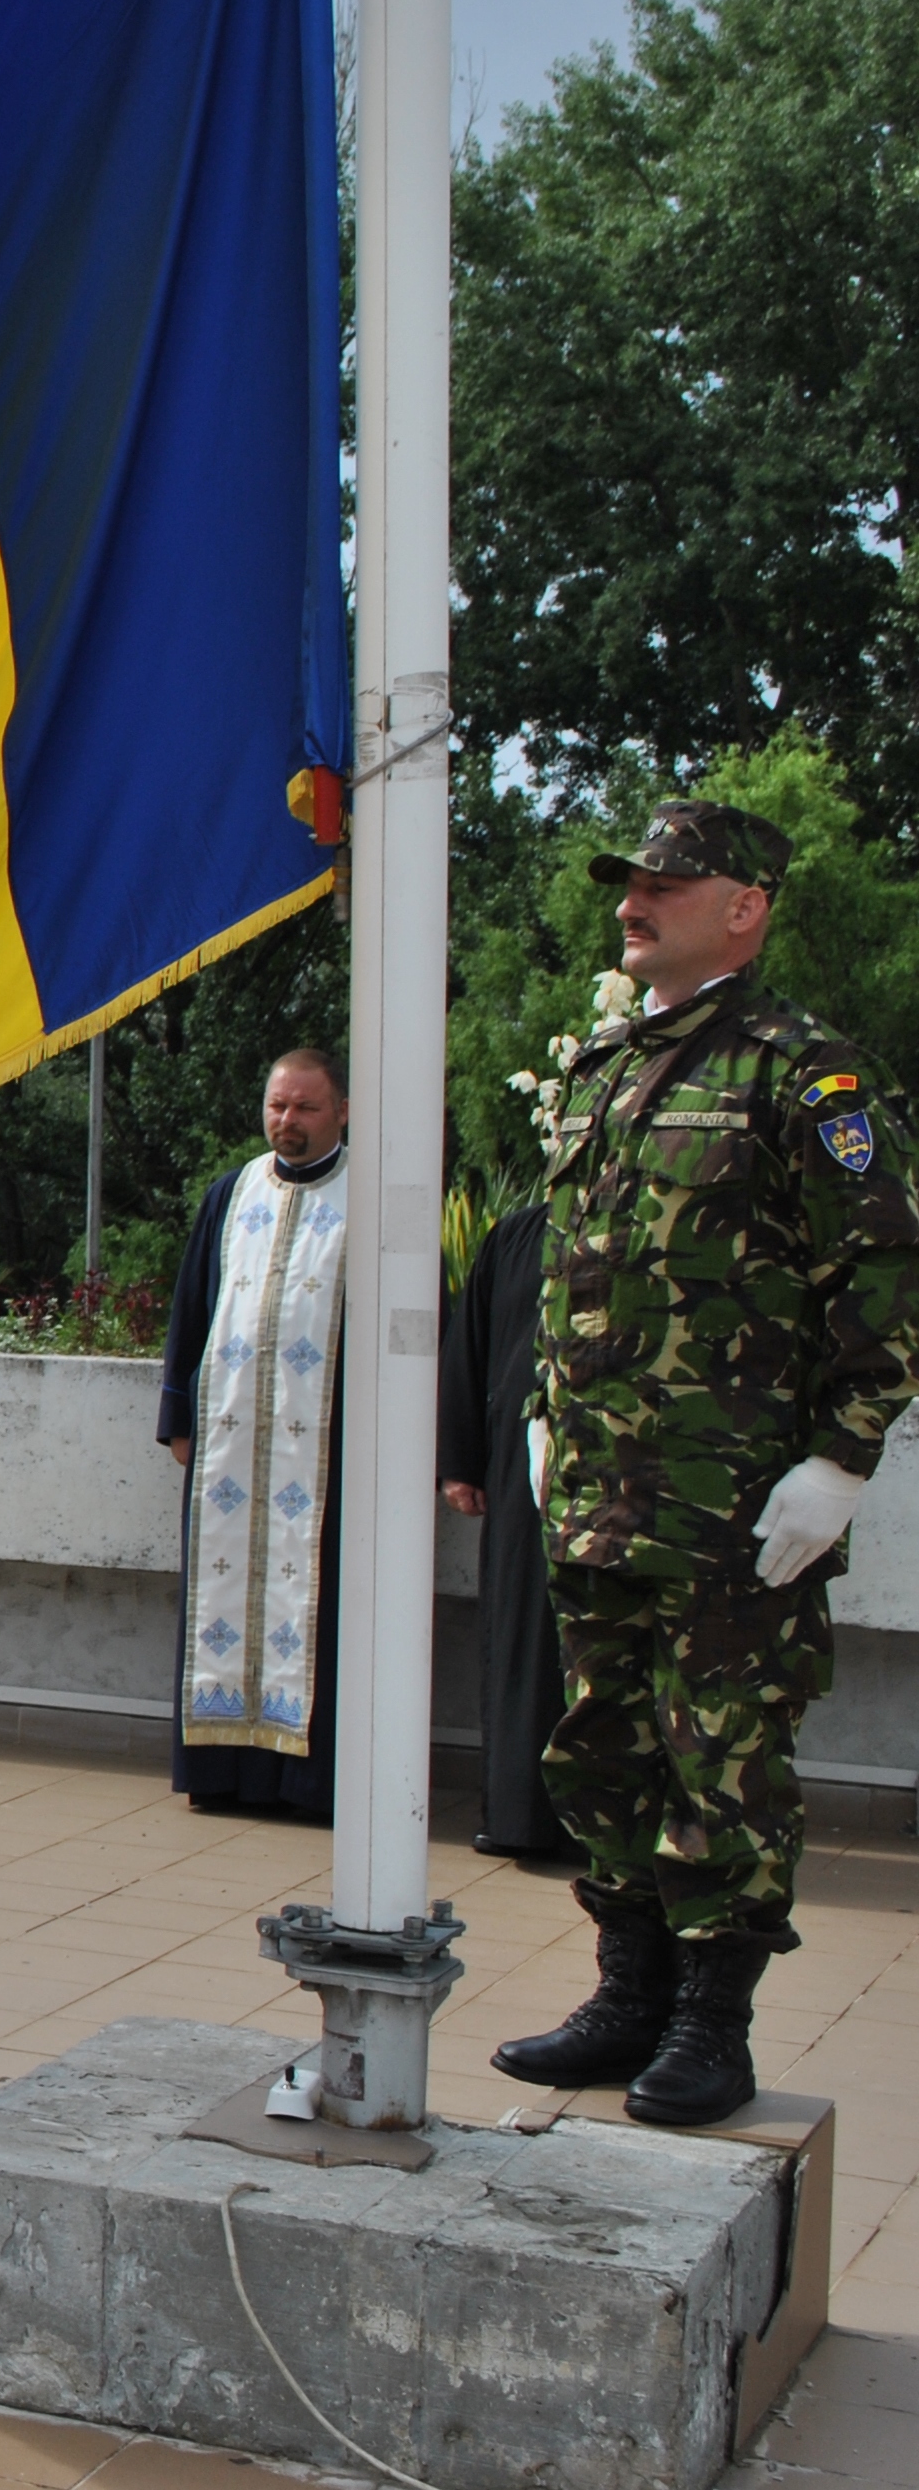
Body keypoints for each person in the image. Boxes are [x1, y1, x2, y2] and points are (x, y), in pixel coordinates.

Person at [496, 800, 919, 2125]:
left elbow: (892, 1269)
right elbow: (573, 1270)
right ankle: (627, 1999)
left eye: (671, 884)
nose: (637, 900)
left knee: (724, 1755)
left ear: (747, 906)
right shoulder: (604, 1067)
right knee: (604, 1746)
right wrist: (544, 1414)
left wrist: (845, 1457)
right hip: (599, 1489)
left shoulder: (809, 1074)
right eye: (631, 880)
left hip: (736, 1506)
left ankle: (710, 2026)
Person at [156, 1049, 352, 1819]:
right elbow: (191, 1309)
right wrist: (179, 1421)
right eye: (277, 1106)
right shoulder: (232, 1193)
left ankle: (304, 1783)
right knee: (223, 1596)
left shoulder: (368, 1196)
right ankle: (222, 1773)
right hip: (230, 1446)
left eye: (304, 1108)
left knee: (313, 1610)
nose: (287, 1122)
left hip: (326, 1455)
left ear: (339, 1110)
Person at [440, 1200, 562, 1859]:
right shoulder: (519, 1232)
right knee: (523, 1643)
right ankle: (521, 1816)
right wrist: (459, 1460)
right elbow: (473, 1342)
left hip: (634, 1486)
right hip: (523, 1479)